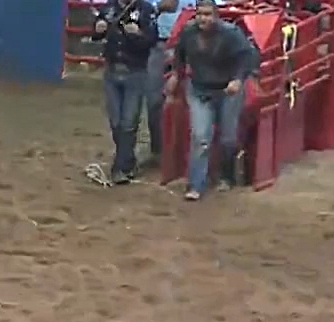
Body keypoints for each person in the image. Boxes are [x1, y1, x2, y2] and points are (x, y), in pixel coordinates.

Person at [165, 0, 258, 200]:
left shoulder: (231, 33)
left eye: (207, 14)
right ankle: (195, 184)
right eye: (200, 14)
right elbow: (179, 55)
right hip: (199, 88)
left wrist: (238, 79)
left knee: (228, 137)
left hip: (227, 90)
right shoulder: (188, 32)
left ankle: (227, 175)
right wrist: (175, 75)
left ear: (216, 16)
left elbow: (248, 57)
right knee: (200, 137)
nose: (203, 18)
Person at [143, 0, 224, 166]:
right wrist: (157, 7)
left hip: (198, 43)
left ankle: (200, 155)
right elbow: (143, 8)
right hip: (161, 42)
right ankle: (160, 151)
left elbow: (220, 6)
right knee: (155, 99)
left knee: (199, 98)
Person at [90, 0, 159, 184]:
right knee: (115, 122)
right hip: (112, 70)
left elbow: (151, 40)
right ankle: (127, 161)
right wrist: (98, 29)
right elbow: (95, 35)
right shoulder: (108, 8)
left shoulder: (146, 10)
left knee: (128, 122)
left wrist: (137, 35)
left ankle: (120, 168)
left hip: (135, 71)